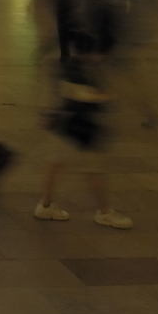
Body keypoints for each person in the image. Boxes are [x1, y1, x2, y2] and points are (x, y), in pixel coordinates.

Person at [34, 32, 133, 230]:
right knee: (93, 170)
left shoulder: (69, 65)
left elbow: (61, 93)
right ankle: (104, 212)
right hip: (79, 129)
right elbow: (83, 95)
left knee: (56, 164)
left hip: (65, 126)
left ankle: (45, 205)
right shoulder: (79, 70)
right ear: (91, 52)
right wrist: (105, 97)